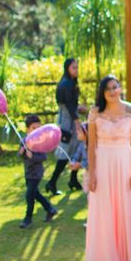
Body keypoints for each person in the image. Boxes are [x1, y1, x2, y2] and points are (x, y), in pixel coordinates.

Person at [83, 75, 131, 261]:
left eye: (114, 87)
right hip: (103, 163)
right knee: (104, 212)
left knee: (126, 209)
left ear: (120, 88)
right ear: (102, 92)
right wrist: (91, 174)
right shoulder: (95, 112)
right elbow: (91, 146)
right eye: (107, 88)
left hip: (125, 163)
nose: (111, 91)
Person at [46, 58, 84, 195]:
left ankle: (73, 179)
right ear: (67, 68)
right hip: (67, 123)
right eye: (74, 67)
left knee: (77, 149)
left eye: (77, 67)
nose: (76, 70)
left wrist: (78, 109)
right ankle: (52, 182)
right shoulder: (67, 83)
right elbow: (68, 105)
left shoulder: (69, 83)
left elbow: (70, 104)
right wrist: (77, 121)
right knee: (66, 152)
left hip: (68, 120)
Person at [19, 115, 58, 229]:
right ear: (27, 129)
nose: (36, 131)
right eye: (33, 128)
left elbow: (43, 157)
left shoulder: (41, 142)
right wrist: (21, 152)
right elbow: (20, 155)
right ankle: (50, 209)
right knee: (35, 193)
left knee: (29, 195)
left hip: (36, 174)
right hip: (28, 173)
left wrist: (32, 156)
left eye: (38, 128)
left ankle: (28, 218)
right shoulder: (24, 141)